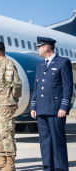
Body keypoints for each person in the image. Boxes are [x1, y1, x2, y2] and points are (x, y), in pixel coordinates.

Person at [30, 37, 73, 171]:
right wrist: (33, 106)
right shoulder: (40, 65)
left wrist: (64, 107)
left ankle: (61, 169)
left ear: (46, 47)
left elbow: (68, 87)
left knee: (58, 142)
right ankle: (47, 168)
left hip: (56, 110)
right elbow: (37, 88)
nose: (37, 49)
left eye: (39, 46)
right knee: (45, 142)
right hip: (42, 109)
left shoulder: (63, 62)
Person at [0, 42, 22, 171]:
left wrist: (14, 99)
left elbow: (16, 84)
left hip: (6, 105)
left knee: (7, 133)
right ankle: (2, 159)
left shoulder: (8, 65)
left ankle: (10, 163)